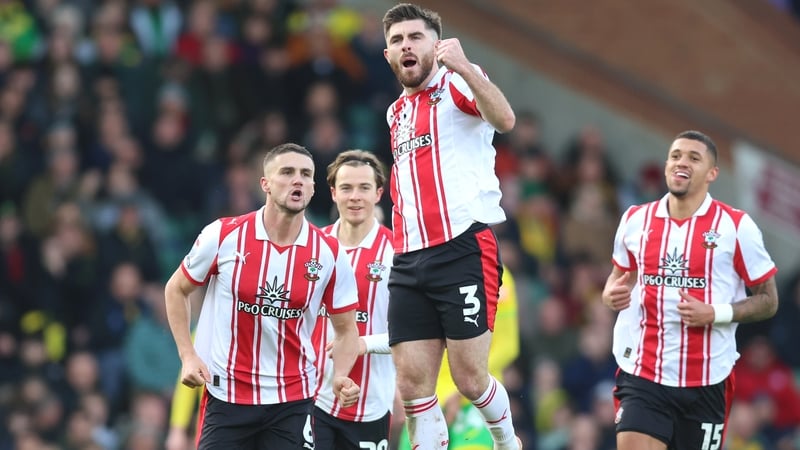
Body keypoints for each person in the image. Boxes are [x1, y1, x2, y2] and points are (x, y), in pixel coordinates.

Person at [381, 4, 521, 449]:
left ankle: (508, 442)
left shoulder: (456, 82)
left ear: (436, 45)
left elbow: (505, 120)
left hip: (460, 247)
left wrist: (463, 65)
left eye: (415, 37)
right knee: (412, 384)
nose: (406, 45)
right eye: (398, 40)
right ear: (388, 54)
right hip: (408, 258)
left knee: (469, 379)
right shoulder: (395, 113)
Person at [164, 142, 362, 449]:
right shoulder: (224, 235)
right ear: (265, 184)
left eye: (305, 175)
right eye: (287, 172)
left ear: (313, 189)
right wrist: (187, 355)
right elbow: (176, 289)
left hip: (292, 401)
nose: (297, 180)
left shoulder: (330, 253)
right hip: (228, 397)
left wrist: (340, 376)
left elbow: (347, 330)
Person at [601, 130, 779, 450]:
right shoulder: (635, 220)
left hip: (707, 382)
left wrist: (715, 313)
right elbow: (617, 278)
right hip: (644, 374)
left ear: (712, 173)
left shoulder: (736, 226)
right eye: (675, 156)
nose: (681, 162)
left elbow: (768, 300)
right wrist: (609, 294)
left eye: (694, 158)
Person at [311, 149, 396, 450]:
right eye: (346, 188)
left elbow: (413, 333)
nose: (355, 197)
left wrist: (362, 344)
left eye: (364, 188)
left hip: (370, 403)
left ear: (379, 194)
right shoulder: (311, 246)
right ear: (333, 193)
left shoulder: (399, 253)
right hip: (311, 398)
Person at [397, 265, 520, 450]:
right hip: (424, 399)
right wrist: (399, 389)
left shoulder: (495, 273)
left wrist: (464, 390)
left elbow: (508, 346)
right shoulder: (415, 265)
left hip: (472, 402)